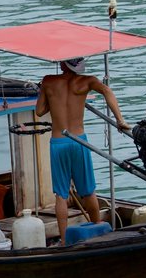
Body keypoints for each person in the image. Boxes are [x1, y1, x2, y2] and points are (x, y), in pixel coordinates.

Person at [34, 57, 129, 238]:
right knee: (88, 190)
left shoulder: (48, 81)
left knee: (61, 195)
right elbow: (107, 91)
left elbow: (39, 112)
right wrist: (119, 120)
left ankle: (63, 240)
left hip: (59, 142)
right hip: (79, 141)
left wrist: (53, 101)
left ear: (62, 64)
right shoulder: (88, 81)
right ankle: (99, 231)